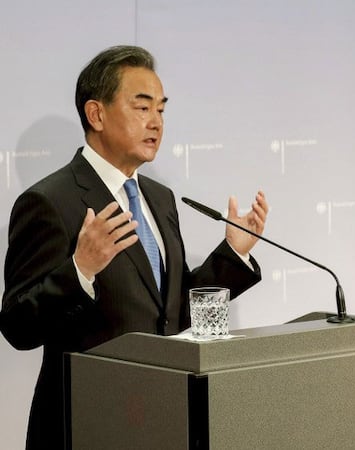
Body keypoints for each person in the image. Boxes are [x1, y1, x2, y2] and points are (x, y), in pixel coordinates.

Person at [0, 45, 268, 450]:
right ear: (97, 114)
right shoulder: (50, 202)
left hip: (166, 418)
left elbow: (171, 312)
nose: (156, 123)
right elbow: (18, 326)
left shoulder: (159, 199)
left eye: (161, 110)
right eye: (142, 108)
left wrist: (234, 254)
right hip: (89, 425)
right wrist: (81, 269)